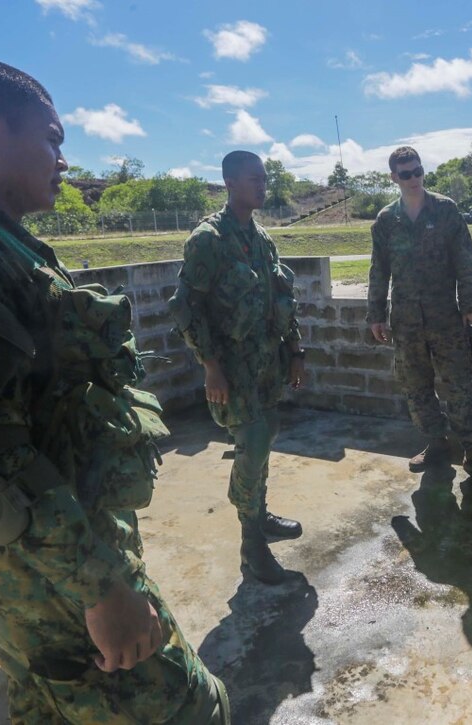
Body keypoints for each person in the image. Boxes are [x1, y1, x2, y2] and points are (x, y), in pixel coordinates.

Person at [0, 56, 227, 722]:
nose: (62, 159)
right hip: (51, 576)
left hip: (51, 558)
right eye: (54, 139)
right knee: (195, 706)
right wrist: (102, 589)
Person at [170, 150, 305, 585]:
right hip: (232, 370)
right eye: (254, 179)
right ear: (229, 183)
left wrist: (296, 351)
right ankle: (251, 546)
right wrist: (210, 366)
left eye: (265, 179)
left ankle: (259, 516)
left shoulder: (262, 239)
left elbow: (282, 296)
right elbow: (187, 307)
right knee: (251, 446)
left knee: (266, 438)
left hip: (267, 363)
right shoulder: (208, 239)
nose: (263, 186)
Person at [367, 146, 472, 483]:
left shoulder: (445, 211)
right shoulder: (386, 219)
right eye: (406, 173)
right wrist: (376, 314)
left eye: (418, 171)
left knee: (459, 388)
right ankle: (436, 444)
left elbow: (465, 261)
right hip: (406, 321)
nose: (414, 178)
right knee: (416, 388)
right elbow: (378, 270)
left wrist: (471, 306)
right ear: (394, 177)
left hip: (446, 318)